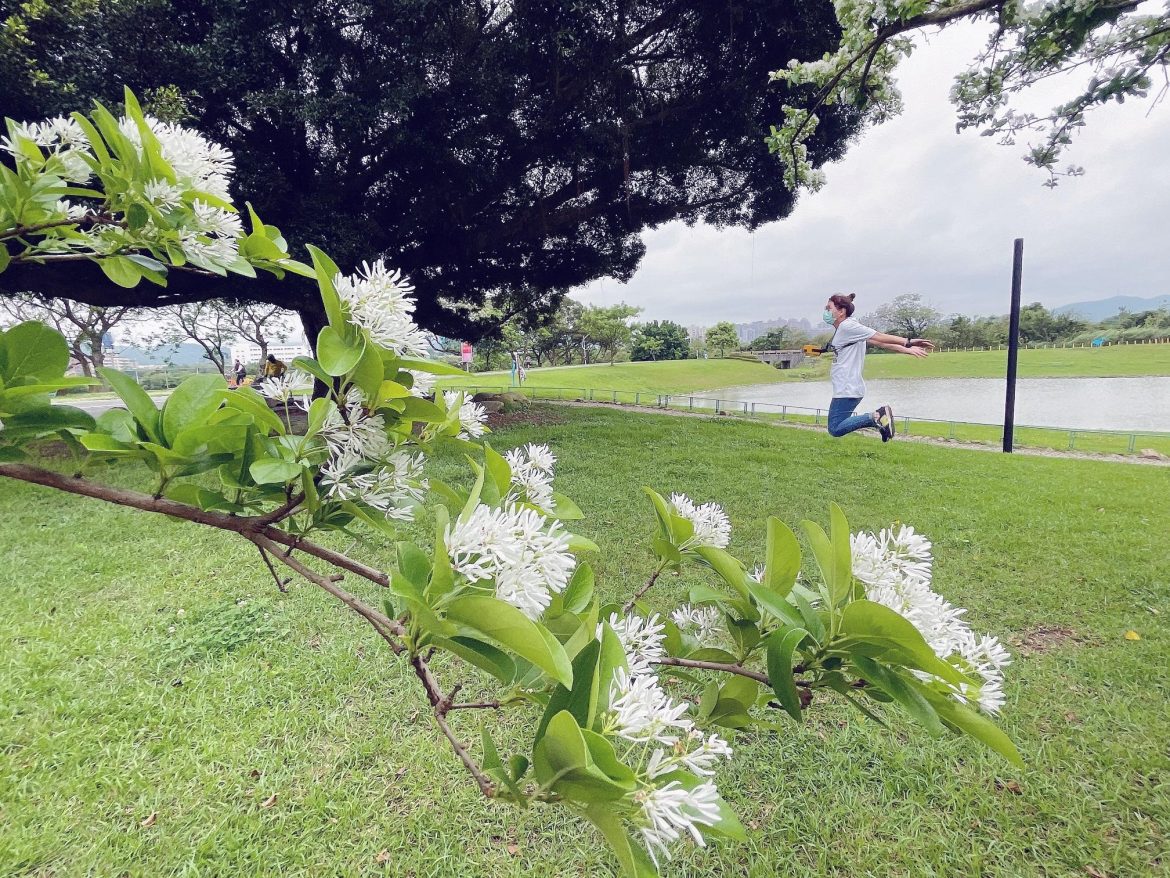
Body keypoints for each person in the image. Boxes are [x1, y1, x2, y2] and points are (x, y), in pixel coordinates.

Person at [820, 293, 934, 442]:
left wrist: (908, 342)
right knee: (836, 426)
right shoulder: (848, 328)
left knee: (835, 428)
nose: (826, 311)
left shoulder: (847, 326)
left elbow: (879, 336)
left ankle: (877, 417)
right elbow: (880, 342)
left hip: (847, 387)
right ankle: (879, 420)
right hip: (848, 386)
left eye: (829, 308)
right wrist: (906, 349)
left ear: (841, 311)